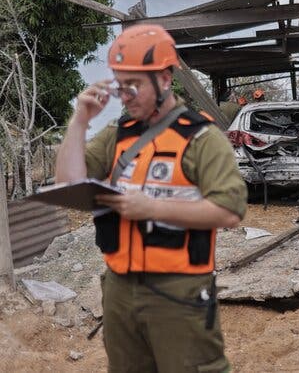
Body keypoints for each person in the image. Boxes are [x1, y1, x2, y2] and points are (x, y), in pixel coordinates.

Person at [55, 24, 247, 373]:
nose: (125, 95)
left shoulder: (202, 138)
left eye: (135, 84)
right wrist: (79, 121)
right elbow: (68, 182)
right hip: (119, 288)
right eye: (120, 84)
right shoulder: (116, 135)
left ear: (164, 78)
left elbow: (230, 211)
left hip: (179, 291)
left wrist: (152, 208)